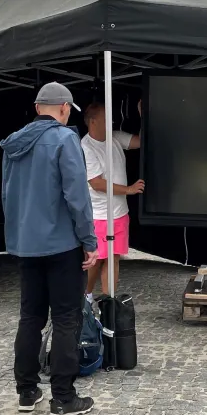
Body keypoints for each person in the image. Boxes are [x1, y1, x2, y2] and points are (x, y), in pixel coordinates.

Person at [1, 82, 99, 415]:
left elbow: (7, 197)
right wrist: (89, 240)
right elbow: (77, 196)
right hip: (61, 245)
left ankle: (27, 392)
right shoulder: (65, 139)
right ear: (64, 108)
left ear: (36, 107)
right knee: (66, 319)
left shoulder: (13, 143)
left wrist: (16, 237)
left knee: (30, 317)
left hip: (26, 245)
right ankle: (63, 398)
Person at [81, 101, 144, 298]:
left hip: (119, 212)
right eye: (106, 118)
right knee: (96, 259)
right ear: (93, 122)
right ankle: (86, 297)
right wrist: (129, 190)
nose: (112, 121)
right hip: (98, 215)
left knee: (113, 258)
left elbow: (141, 141)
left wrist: (144, 116)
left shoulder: (115, 137)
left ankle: (110, 301)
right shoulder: (86, 146)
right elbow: (97, 183)